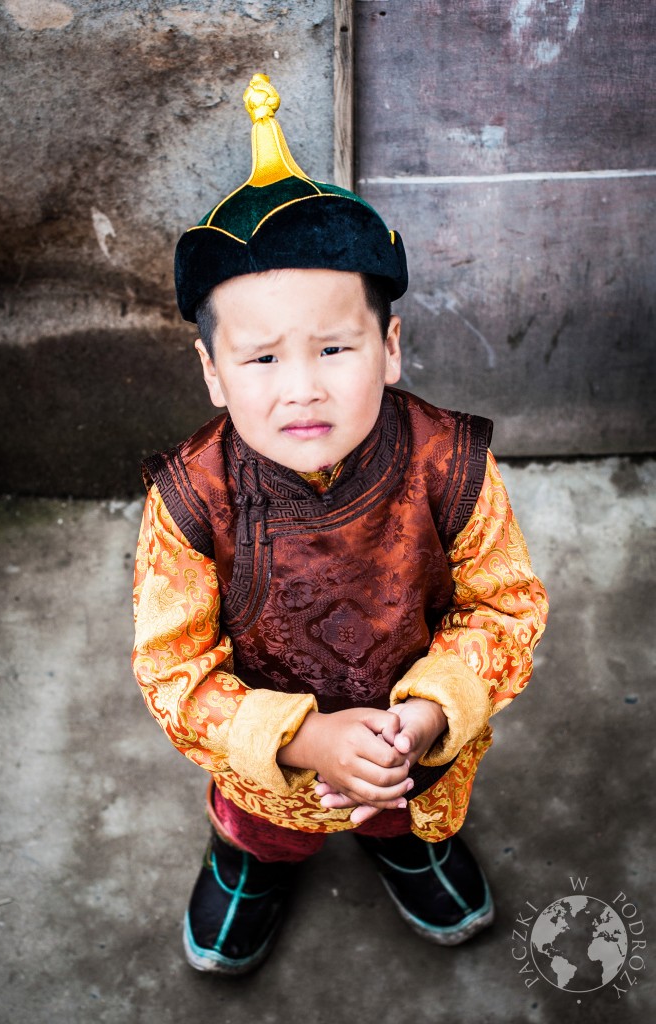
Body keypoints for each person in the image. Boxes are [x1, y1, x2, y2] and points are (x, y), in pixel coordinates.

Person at [132, 73, 548, 974]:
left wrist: (431, 717)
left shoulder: (449, 463)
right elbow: (172, 670)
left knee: (405, 803)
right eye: (262, 356)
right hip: (273, 749)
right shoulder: (191, 497)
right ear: (212, 372)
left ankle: (408, 842)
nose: (302, 386)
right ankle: (250, 861)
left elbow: (505, 610)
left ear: (389, 349)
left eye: (334, 347)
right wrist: (299, 739)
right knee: (264, 821)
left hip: (410, 744)